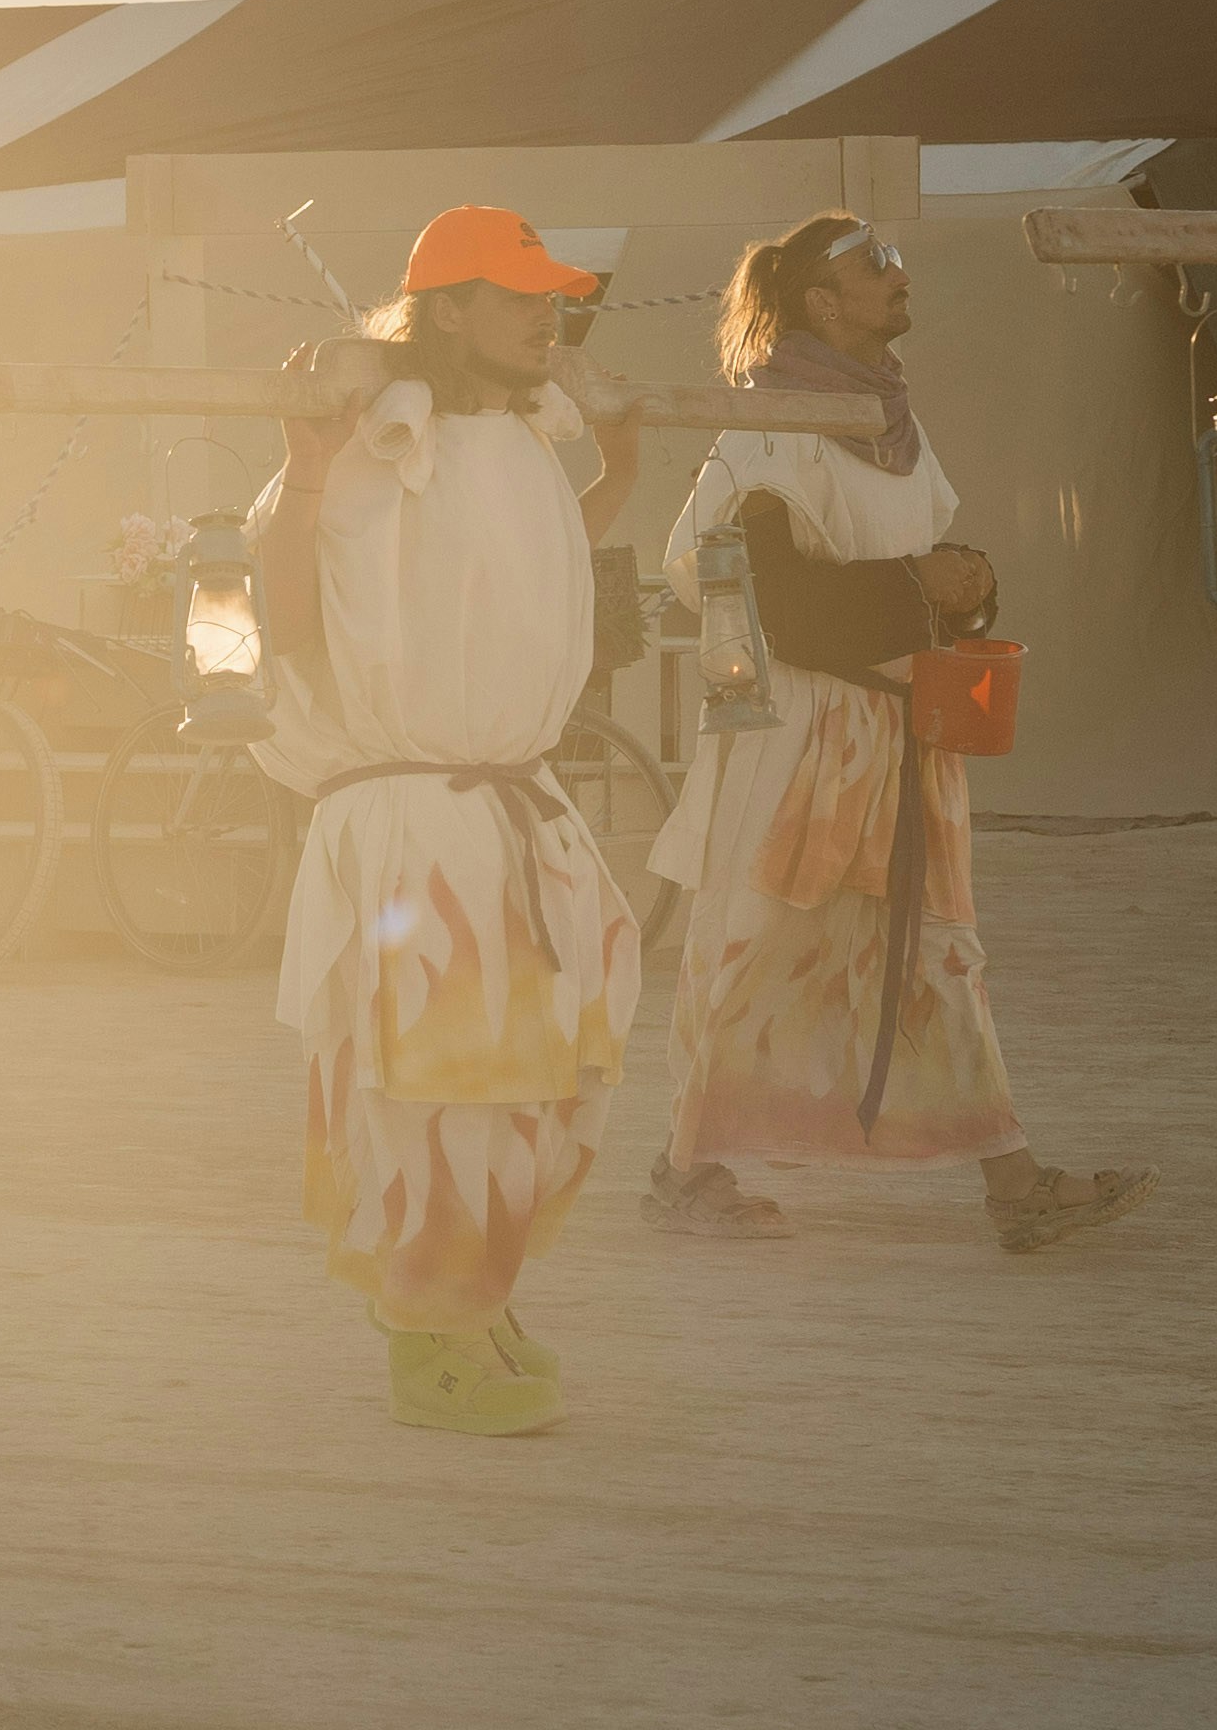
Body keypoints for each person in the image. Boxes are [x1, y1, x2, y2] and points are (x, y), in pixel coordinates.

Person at [635, 212, 1143, 1255]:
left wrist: (965, 588)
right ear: (821, 302)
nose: (899, 275)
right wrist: (920, 585)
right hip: (797, 740)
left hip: (896, 729)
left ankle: (1014, 1182)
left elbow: (918, 553)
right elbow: (772, 599)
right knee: (752, 943)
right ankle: (684, 1168)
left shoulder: (892, 423)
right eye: (876, 264)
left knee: (937, 954)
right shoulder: (771, 429)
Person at [255, 206, 646, 1435]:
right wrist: (306, 463)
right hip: (413, 813)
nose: (548, 315)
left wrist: (620, 465)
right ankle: (428, 1322)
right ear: (448, 310)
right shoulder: (374, 438)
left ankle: (472, 1289)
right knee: (437, 1085)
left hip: (517, 809)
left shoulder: (527, 443)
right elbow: (293, 614)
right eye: (519, 294)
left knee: (535, 1081)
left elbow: (533, 573)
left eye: (553, 296)